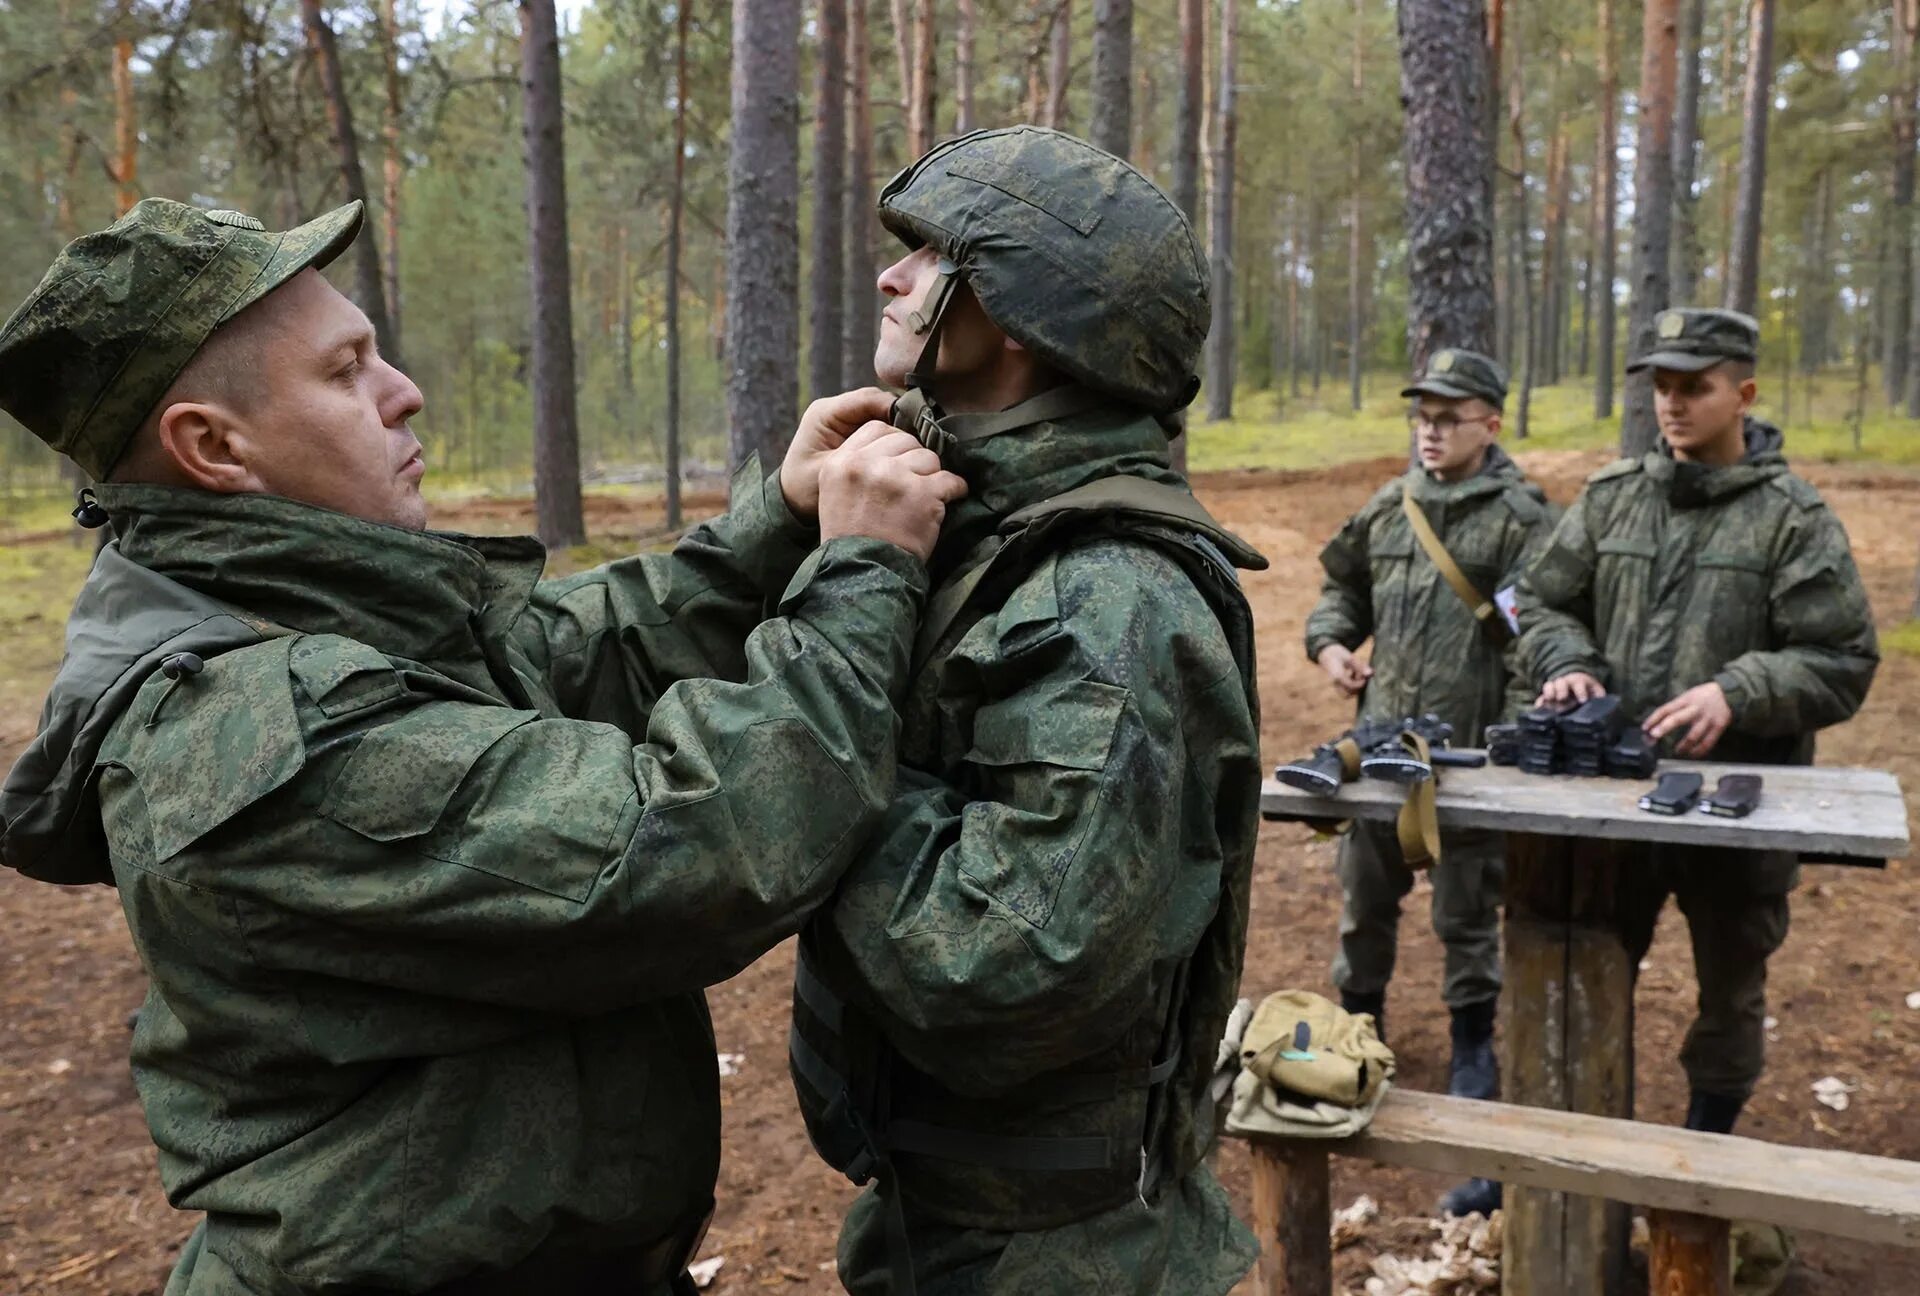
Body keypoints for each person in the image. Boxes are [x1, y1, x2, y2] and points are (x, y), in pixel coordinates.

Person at [0, 197, 966, 1295]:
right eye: (346, 370)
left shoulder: (314, 611)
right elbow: (688, 846)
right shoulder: (246, 737)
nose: (402, 391)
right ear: (214, 447)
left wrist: (779, 523)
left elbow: (572, 648)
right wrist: (859, 573)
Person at [784, 126, 1266, 1295]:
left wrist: (800, 760)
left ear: (1011, 316)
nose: (892, 279)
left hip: (1052, 1257)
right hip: (952, 1223)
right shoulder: (975, 523)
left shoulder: (1110, 603)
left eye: (929, 258)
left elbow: (1002, 960)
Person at [1517, 307, 1878, 1141]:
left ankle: (1701, 1168)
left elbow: (1843, 659)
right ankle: (1579, 1166)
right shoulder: (1612, 500)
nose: (1672, 406)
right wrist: (1563, 660)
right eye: (1662, 388)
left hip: (1737, 809)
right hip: (1614, 801)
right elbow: (1535, 600)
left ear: (1743, 393)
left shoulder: (1792, 517)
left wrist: (1739, 691)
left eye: (1695, 388)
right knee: (1587, 974)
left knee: (1730, 993)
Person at [1302, 347, 1551, 1218]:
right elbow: (1342, 587)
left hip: (1468, 763)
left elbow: (1542, 636)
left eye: (1450, 417)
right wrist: (1334, 645)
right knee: (1364, 900)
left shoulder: (1520, 520)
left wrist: (1514, 742)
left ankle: (1473, 1052)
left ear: (1492, 421)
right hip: (1377, 754)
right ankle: (1356, 1030)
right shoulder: (1391, 503)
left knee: (1465, 915)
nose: (1432, 431)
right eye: (1423, 417)